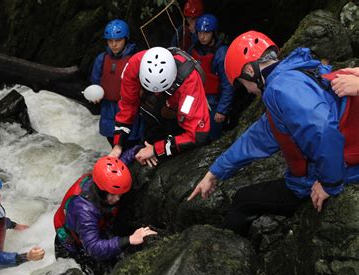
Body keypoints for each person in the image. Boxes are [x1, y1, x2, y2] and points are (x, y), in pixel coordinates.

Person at [188, 30, 359, 236]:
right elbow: (258, 137)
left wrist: (330, 184)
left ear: (250, 72)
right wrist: (214, 172)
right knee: (246, 197)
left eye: (244, 85)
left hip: (339, 171)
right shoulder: (294, 74)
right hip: (343, 160)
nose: (250, 91)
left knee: (243, 200)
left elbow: (322, 129)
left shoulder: (280, 89)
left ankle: (223, 251)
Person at [54, 147, 157, 275]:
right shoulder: (85, 210)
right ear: (101, 191)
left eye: (120, 194)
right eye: (114, 195)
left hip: (93, 227)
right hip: (73, 242)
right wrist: (130, 239)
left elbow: (121, 163)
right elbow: (93, 248)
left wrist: (141, 149)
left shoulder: (104, 177)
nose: (118, 198)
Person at [109, 46, 210, 168]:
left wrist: (155, 149)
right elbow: (127, 105)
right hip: (155, 113)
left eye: (161, 90)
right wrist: (118, 145)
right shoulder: (134, 66)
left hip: (178, 108)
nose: (156, 94)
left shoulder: (189, 83)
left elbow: (197, 135)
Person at [90, 19, 144, 147]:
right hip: (108, 107)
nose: (114, 44)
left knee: (130, 141)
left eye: (118, 40)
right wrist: (94, 95)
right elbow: (95, 82)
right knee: (112, 140)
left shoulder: (135, 59)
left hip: (129, 107)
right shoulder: (101, 59)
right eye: (110, 41)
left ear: (126, 39)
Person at [189, 14, 234, 141]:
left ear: (213, 33)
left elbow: (228, 84)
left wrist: (222, 110)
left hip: (214, 100)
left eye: (206, 33)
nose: (202, 37)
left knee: (213, 135)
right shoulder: (194, 48)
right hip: (196, 96)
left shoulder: (221, 53)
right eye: (200, 33)